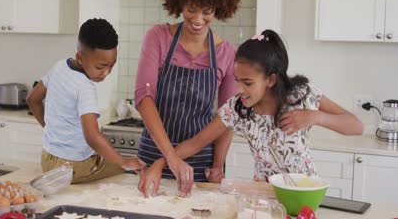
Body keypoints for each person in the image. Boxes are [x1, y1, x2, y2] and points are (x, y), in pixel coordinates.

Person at [139, 29, 364, 195]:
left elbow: (356, 126)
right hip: (263, 193)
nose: (239, 90)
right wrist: (160, 164)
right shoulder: (238, 108)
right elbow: (198, 141)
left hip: (305, 192)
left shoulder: (301, 95)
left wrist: (315, 117)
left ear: (270, 79)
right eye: (237, 81)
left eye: (247, 83)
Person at [135, 0, 241, 196]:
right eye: (191, 9)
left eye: (207, 11)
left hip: (199, 162)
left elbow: (227, 116)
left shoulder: (227, 54)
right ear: (179, 2)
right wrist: (170, 157)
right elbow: (144, 98)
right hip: (154, 155)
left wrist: (217, 165)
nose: (198, 19)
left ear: (218, 8)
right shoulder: (158, 37)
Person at [27, 18, 145, 183]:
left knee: (117, 160)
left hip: (48, 160)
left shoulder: (59, 66)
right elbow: (92, 137)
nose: (106, 73)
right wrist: (123, 161)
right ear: (80, 58)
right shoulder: (84, 87)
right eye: (100, 67)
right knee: (131, 167)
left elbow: (32, 99)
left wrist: (52, 130)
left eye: (111, 66)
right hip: (74, 167)